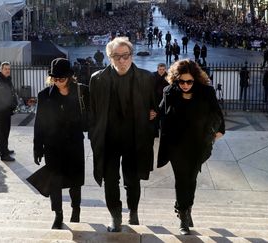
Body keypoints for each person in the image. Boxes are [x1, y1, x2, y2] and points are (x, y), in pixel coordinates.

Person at [89, 37, 157, 232]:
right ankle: (115, 217)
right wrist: (94, 135)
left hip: (134, 138)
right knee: (110, 180)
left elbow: (155, 107)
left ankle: (133, 211)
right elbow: (92, 112)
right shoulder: (97, 79)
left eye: (125, 56)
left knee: (132, 179)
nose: (121, 61)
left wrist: (152, 119)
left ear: (131, 56)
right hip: (108, 139)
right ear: (110, 57)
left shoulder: (146, 78)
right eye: (116, 56)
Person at [157, 59, 225, 235]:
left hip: (197, 144)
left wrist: (219, 131)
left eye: (189, 81)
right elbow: (161, 111)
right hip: (176, 145)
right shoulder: (169, 91)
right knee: (181, 180)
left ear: (195, 79)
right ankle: (183, 217)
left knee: (192, 179)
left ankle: (187, 208)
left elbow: (217, 112)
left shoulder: (206, 92)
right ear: (176, 79)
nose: (185, 85)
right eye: (182, 81)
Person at [33, 58, 89, 229]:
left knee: (75, 181)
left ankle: (76, 210)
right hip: (52, 146)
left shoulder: (82, 92)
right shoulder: (44, 96)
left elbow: (96, 113)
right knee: (54, 182)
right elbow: (39, 123)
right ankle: (58, 214)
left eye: (61, 79)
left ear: (70, 77)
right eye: (54, 79)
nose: (58, 82)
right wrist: (37, 147)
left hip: (74, 144)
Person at [0, 62, 18, 162]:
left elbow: (12, 93)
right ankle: (3, 155)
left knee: (6, 132)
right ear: (1, 70)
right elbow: (4, 99)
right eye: (6, 69)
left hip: (7, 112)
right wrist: (13, 105)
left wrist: (15, 102)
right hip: (1, 113)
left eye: (9, 69)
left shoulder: (7, 80)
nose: (8, 70)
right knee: (2, 134)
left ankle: (5, 149)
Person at [153, 63, 168, 137]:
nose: (162, 71)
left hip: (165, 99)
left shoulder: (168, 76)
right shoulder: (153, 75)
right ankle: (155, 133)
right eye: (160, 69)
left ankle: (163, 133)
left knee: (163, 117)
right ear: (157, 69)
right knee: (155, 117)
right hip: (155, 99)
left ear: (165, 69)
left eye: (163, 69)